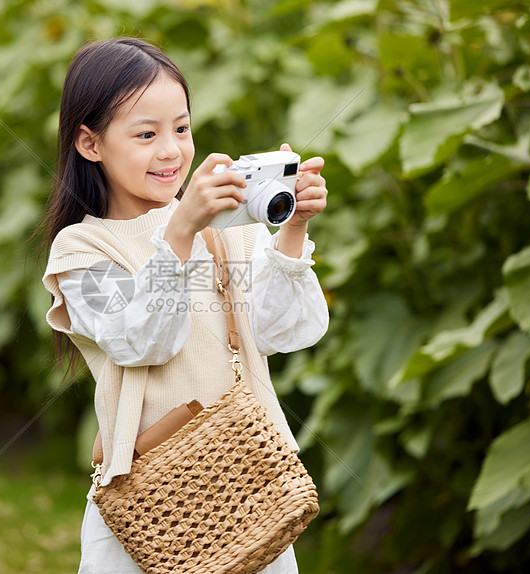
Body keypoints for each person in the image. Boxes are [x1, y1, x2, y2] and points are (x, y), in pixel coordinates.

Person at [41, 37, 329, 574]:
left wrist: (293, 230)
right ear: (89, 143)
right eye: (146, 134)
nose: (171, 150)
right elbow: (142, 340)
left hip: (251, 487)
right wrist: (180, 231)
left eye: (181, 127)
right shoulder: (82, 249)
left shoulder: (228, 225)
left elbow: (284, 331)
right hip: (152, 501)